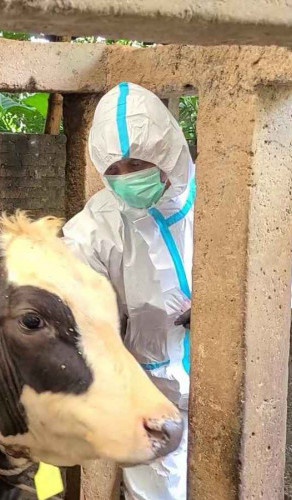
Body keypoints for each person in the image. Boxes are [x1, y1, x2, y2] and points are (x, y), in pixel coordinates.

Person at [62, 82, 194, 500]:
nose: (125, 178)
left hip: (225, 373)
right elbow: (68, 277)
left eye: (136, 163)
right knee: (158, 490)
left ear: (167, 152)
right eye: (114, 170)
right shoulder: (99, 222)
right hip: (150, 381)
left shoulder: (222, 199)